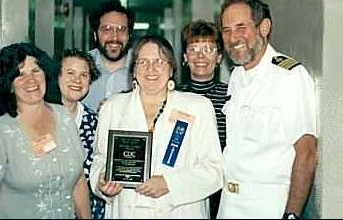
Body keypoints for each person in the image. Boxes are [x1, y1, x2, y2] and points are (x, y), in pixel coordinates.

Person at [89, 34, 223, 219]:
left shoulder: (198, 107)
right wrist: (103, 182)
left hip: (181, 212)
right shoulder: (113, 107)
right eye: (143, 62)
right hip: (128, 210)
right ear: (134, 70)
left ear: (171, 69)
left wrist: (170, 184)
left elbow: (215, 171)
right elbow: (100, 159)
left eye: (159, 62)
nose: (150, 69)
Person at [217, 0, 317, 219]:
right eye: (226, 30)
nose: (233, 38)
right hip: (230, 204)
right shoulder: (237, 76)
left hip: (268, 206)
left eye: (241, 27)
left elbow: (307, 152)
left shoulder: (289, 76)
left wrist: (291, 214)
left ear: (264, 27)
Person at [0, 43, 91, 219]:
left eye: (36, 71)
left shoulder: (64, 116)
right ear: (8, 85)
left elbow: (79, 181)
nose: (31, 80)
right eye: (20, 75)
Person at [179, 19, 228, 219]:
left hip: (221, 188)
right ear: (184, 56)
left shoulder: (232, 96)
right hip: (182, 185)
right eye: (193, 48)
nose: (201, 56)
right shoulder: (172, 96)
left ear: (219, 57)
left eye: (208, 48)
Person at [57, 48, 106, 219]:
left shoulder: (97, 123)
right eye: (70, 73)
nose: (77, 80)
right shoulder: (42, 120)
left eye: (84, 75)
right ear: (57, 76)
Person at [82, 0, 135, 111]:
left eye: (121, 29)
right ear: (95, 35)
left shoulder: (143, 68)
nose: (115, 37)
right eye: (106, 29)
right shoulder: (81, 65)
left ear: (129, 35)